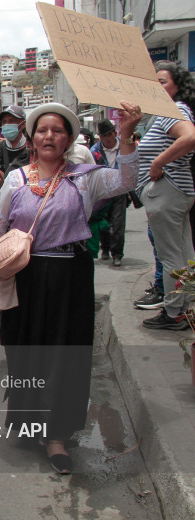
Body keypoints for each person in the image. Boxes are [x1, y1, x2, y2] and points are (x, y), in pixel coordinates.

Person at [0, 101, 143, 474]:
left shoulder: (86, 178)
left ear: (69, 138)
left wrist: (125, 137)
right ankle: (29, 423)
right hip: (24, 279)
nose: (49, 136)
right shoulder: (16, 179)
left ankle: (57, 436)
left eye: (57, 130)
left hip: (70, 279)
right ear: (32, 138)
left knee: (64, 357)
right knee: (24, 354)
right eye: (42, 130)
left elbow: (126, 181)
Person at [136, 61, 195, 330]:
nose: (156, 87)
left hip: (167, 192)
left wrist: (158, 163)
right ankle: (182, 310)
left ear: (177, 87)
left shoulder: (172, 110)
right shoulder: (168, 112)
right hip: (178, 191)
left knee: (170, 255)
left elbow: (189, 137)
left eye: (162, 82)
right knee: (183, 254)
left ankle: (173, 313)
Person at [91, 119, 128, 267]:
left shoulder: (125, 147)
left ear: (114, 134)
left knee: (118, 224)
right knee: (104, 224)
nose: (107, 138)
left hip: (120, 190)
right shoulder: (95, 151)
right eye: (103, 136)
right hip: (103, 192)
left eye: (109, 135)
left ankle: (117, 254)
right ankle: (105, 248)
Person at [0, 105, 29, 175]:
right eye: (4, 121)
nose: (7, 125)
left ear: (23, 124)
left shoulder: (31, 149)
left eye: (11, 121)